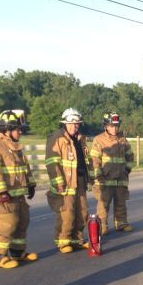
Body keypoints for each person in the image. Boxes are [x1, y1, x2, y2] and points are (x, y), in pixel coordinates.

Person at [0, 109, 38, 269]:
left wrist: (31, 184)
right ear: (6, 130)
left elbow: (25, 168)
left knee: (22, 222)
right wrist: (1, 191)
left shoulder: (15, 148)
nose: (20, 131)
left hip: (18, 195)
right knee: (7, 224)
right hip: (4, 197)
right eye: (17, 129)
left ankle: (17, 253)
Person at [45, 107, 94, 253]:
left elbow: (87, 161)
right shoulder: (56, 138)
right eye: (72, 124)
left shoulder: (81, 138)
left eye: (77, 123)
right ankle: (64, 241)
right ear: (65, 123)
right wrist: (58, 182)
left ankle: (76, 239)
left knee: (82, 211)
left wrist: (90, 178)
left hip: (80, 180)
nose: (75, 126)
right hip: (65, 183)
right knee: (67, 212)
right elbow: (52, 162)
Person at [91, 112, 135, 235]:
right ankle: (102, 226)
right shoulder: (99, 140)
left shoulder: (123, 140)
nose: (114, 128)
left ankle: (122, 223)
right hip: (105, 179)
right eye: (111, 126)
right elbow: (95, 160)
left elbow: (130, 156)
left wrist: (127, 170)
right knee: (103, 204)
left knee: (121, 202)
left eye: (116, 125)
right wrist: (99, 175)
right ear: (106, 126)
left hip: (121, 178)